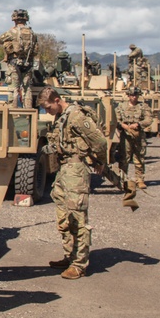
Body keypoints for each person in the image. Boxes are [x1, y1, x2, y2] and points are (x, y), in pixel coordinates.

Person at [38, 87, 108, 280]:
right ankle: (70, 256)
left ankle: (79, 264)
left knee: (77, 215)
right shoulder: (62, 117)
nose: (47, 112)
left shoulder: (76, 116)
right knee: (64, 215)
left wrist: (101, 162)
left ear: (57, 100)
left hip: (76, 170)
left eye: (47, 107)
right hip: (64, 169)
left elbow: (100, 141)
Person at [0, 9, 38, 108]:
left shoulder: (12, 32)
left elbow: (0, 39)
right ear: (26, 19)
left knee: (13, 88)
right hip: (28, 64)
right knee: (27, 88)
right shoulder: (32, 33)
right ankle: (28, 111)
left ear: (14, 19)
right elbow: (35, 50)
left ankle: (13, 113)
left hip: (14, 63)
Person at [116, 87, 151, 189]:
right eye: (132, 95)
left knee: (139, 157)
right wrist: (124, 126)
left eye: (136, 95)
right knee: (124, 158)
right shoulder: (121, 107)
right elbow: (116, 119)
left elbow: (149, 119)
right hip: (125, 135)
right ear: (128, 96)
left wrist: (138, 124)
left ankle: (139, 179)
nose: (134, 97)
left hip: (138, 135)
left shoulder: (143, 107)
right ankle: (123, 180)